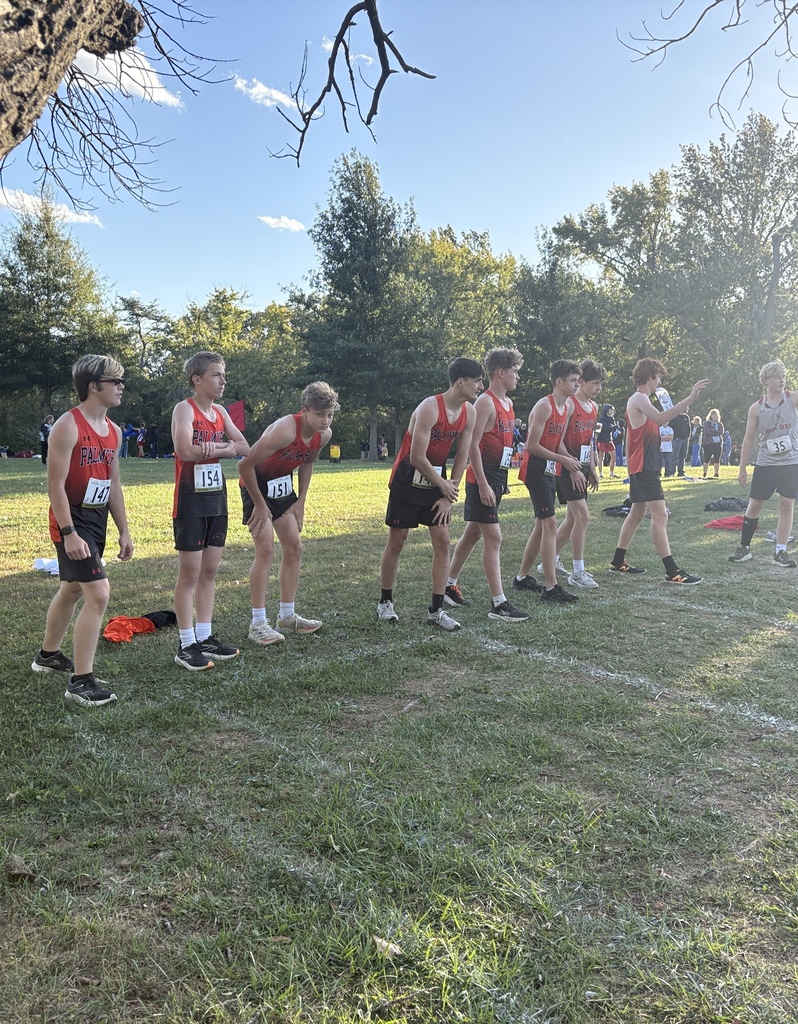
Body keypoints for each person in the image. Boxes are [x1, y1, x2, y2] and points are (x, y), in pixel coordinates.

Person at [31, 355, 133, 706]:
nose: (121, 387)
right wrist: (69, 531)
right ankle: (81, 680)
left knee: (72, 589)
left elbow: (113, 484)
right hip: (71, 519)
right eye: (115, 381)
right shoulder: (67, 425)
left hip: (97, 518)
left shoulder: (115, 431)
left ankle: (47, 656)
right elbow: (55, 485)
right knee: (99, 593)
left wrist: (124, 530)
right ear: (94, 386)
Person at [378, 357, 483, 630]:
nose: (480, 387)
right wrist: (443, 484)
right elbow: (416, 457)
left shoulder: (469, 412)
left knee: (443, 542)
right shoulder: (429, 407)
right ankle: (385, 602)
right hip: (408, 478)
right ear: (461, 382)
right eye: (477, 381)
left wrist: (449, 492)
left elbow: (463, 453)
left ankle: (436, 611)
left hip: (438, 481)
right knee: (397, 542)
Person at [238, 381, 338, 645]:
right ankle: (258, 623)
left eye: (329, 415)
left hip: (282, 487)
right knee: (266, 550)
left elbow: (307, 462)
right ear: (304, 411)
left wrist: (301, 501)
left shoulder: (323, 434)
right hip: (255, 485)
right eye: (319, 415)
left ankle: (287, 615)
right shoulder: (284, 430)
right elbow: (245, 465)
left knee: (294, 548)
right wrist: (260, 505)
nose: (325, 421)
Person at [171, 351, 249, 671]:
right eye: (217, 375)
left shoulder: (220, 413)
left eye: (224, 374)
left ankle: (204, 637)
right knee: (190, 573)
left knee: (210, 571)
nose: (223, 380)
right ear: (197, 380)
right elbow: (184, 449)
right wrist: (223, 449)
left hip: (217, 500)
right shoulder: (184, 409)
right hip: (190, 501)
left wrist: (218, 449)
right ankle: (186, 644)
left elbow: (243, 446)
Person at [444, 348, 529, 622]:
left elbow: (501, 447)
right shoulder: (486, 402)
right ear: (501, 373)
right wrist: (482, 483)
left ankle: (448, 585)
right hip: (481, 479)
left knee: (473, 534)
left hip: (495, 478)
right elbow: (471, 445)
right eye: (514, 371)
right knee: (494, 537)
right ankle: (499, 603)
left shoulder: (508, 404)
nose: (518, 377)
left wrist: (500, 481)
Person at [609, 358, 708, 583]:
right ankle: (672, 571)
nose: (660, 381)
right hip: (644, 466)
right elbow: (661, 417)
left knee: (636, 514)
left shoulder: (639, 400)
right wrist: (690, 398)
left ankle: (617, 561)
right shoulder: (640, 398)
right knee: (660, 515)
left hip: (642, 465)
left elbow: (640, 433)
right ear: (649, 377)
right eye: (659, 377)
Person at [513, 359, 584, 603]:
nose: (577, 385)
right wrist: (563, 461)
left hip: (551, 466)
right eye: (573, 380)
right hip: (535, 467)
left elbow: (558, 442)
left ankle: (522, 578)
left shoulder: (568, 408)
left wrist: (572, 462)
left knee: (542, 525)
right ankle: (551, 587)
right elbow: (532, 446)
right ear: (559, 381)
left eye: (578, 380)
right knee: (550, 523)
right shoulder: (545, 406)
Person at [729, 360, 798, 567]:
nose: (781, 380)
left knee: (787, 506)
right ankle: (744, 548)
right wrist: (742, 468)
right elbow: (748, 438)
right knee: (754, 505)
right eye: (777, 376)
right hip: (766, 463)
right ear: (766, 380)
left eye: (783, 376)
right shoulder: (756, 408)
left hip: (790, 463)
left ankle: (781, 551)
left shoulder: (792, 399)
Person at [550, 358, 604, 589]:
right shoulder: (570, 405)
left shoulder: (594, 407)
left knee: (572, 519)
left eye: (601, 384)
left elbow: (589, 441)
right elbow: (557, 441)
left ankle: (549, 561)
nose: (599, 389)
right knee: (582, 516)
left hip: (580, 467)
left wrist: (591, 468)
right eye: (595, 383)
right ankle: (578, 571)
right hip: (565, 467)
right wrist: (572, 466)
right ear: (581, 382)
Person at [596, 404, 618, 478]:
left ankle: (611, 473)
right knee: (601, 456)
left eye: (612, 410)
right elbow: (603, 428)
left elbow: (613, 428)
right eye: (610, 409)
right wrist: (612, 427)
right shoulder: (602, 418)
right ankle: (600, 474)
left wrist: (612, 427)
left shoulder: (612, 418)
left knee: (613, 456)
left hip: (609, 439)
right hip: (601, 439)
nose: (611, 411)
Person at [702, 408, 723, 478]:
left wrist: (713, 431)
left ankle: (716, 473)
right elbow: (707, 432)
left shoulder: (720, 424)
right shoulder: (706, 423)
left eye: (715, 415)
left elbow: (721, 431)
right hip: (709, 443)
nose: (714, 416)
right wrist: (715, 432)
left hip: (717, 443)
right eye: (712, 414)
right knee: (707, 458)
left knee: (717, 459)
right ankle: (705, 473)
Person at [670, 409, 691, 476]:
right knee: (675, 456)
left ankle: (681, 471)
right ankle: (672, 471)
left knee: (683, 456)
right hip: (677, 440)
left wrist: (688, 436)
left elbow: (689, 427)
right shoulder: (674, 417)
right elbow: (671, 427)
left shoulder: (686, 417)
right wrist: (675, 437)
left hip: (685, 439)